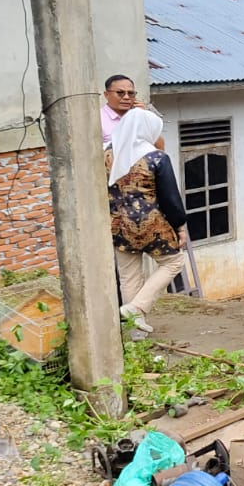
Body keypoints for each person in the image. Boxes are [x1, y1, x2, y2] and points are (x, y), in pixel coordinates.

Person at [106, 108, 187, 336]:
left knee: (129, 276)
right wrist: (180, 225)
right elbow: (170, 197)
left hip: (118, 225)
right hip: (153, 226)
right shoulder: (156, 158)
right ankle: (136, 307)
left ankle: (135, 334)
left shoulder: (108, 155)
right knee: (174, 262)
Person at [101, 74, 162, 147]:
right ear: (106, 94)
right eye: (120, 93)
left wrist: (144, 118)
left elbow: (159, 147)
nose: (126, 97)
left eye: (130, 93)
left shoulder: (139, 116)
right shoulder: (97, 119)